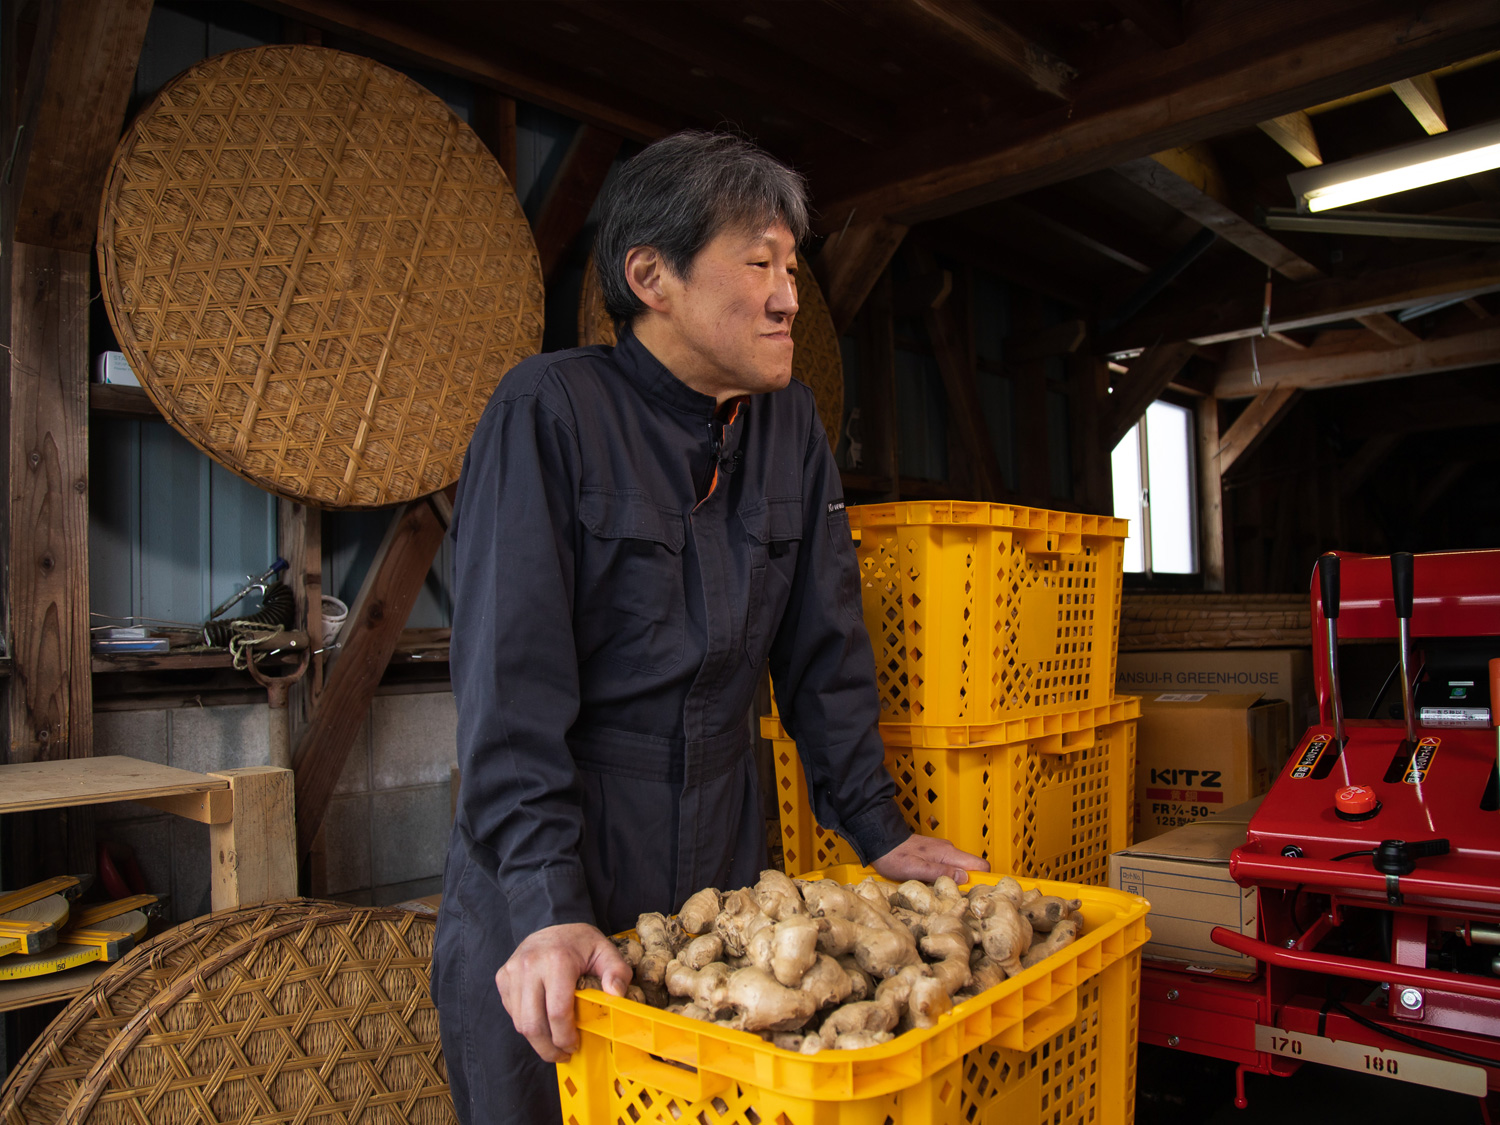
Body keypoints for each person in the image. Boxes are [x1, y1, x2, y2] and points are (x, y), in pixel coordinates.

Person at [432, 130, 987, 1125]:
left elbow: (825, 654)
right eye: (759, 262)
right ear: (653, 276)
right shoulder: (549, 411)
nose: (788, 297)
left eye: (792, 266)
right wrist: (550, 910)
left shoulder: (791, 429)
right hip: (564, 849)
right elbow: (510, 696)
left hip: (725, 866)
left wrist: (878, 829)